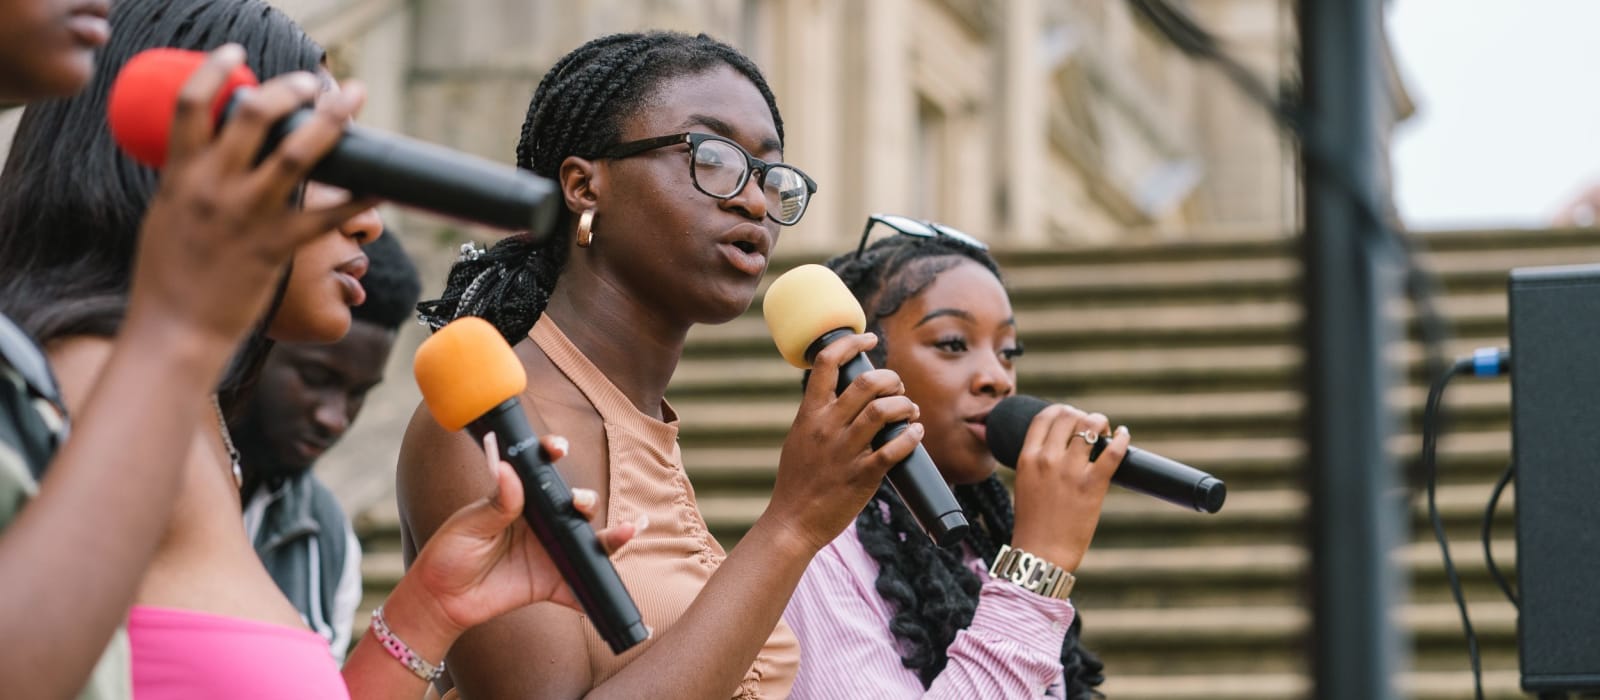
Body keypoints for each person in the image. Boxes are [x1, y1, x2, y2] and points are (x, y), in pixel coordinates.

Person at [0, 1, 635, 697]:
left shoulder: (194, 411)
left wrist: (431, 608)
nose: (368, 221)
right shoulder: (86, 384)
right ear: (179, 153)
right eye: (331, 159)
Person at [399, 31, 916, 699]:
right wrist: (791, 525)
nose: (755, 203)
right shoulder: (486, 428)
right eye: (713, 158)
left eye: (769, 175)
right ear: (586, 186)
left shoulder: (648, 427)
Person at [781, 216, 1128, 699]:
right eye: (952, 344)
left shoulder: (978, 553)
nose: (998, 378)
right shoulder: (817, 564)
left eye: (1009, 351)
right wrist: (1036, 570)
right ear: (862, 374)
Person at [235, 231, 422, 660]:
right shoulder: (143, 485)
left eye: (358, 393)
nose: (334, 418)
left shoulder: (330, 540)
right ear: (250, 346)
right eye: (316, 379)